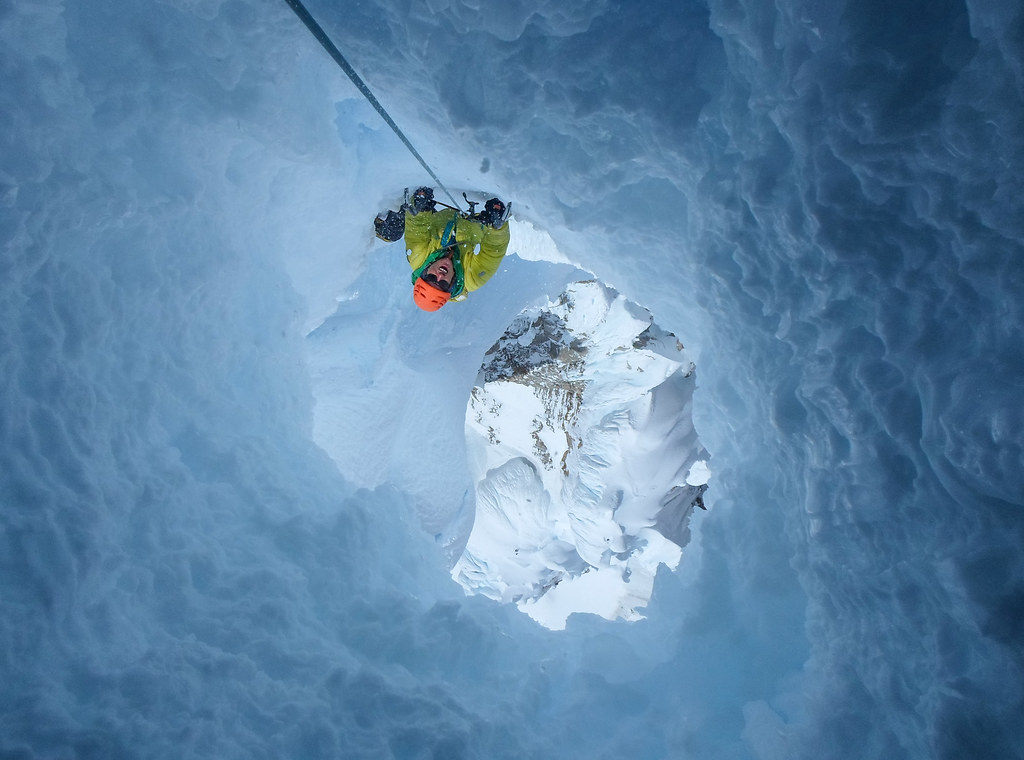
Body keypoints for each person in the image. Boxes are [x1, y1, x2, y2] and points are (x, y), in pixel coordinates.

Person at [375, 187, 511, 312]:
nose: (440, 276)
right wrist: (496, 226)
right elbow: (494, 250)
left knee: (392, 231)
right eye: (443, 284)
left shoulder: (417, 258)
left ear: (424, 272)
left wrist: (420, 208)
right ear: (451, 286)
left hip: (438, 216)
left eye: (431, 277)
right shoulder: (472, 278)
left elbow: (417, 227)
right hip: (476, 223)